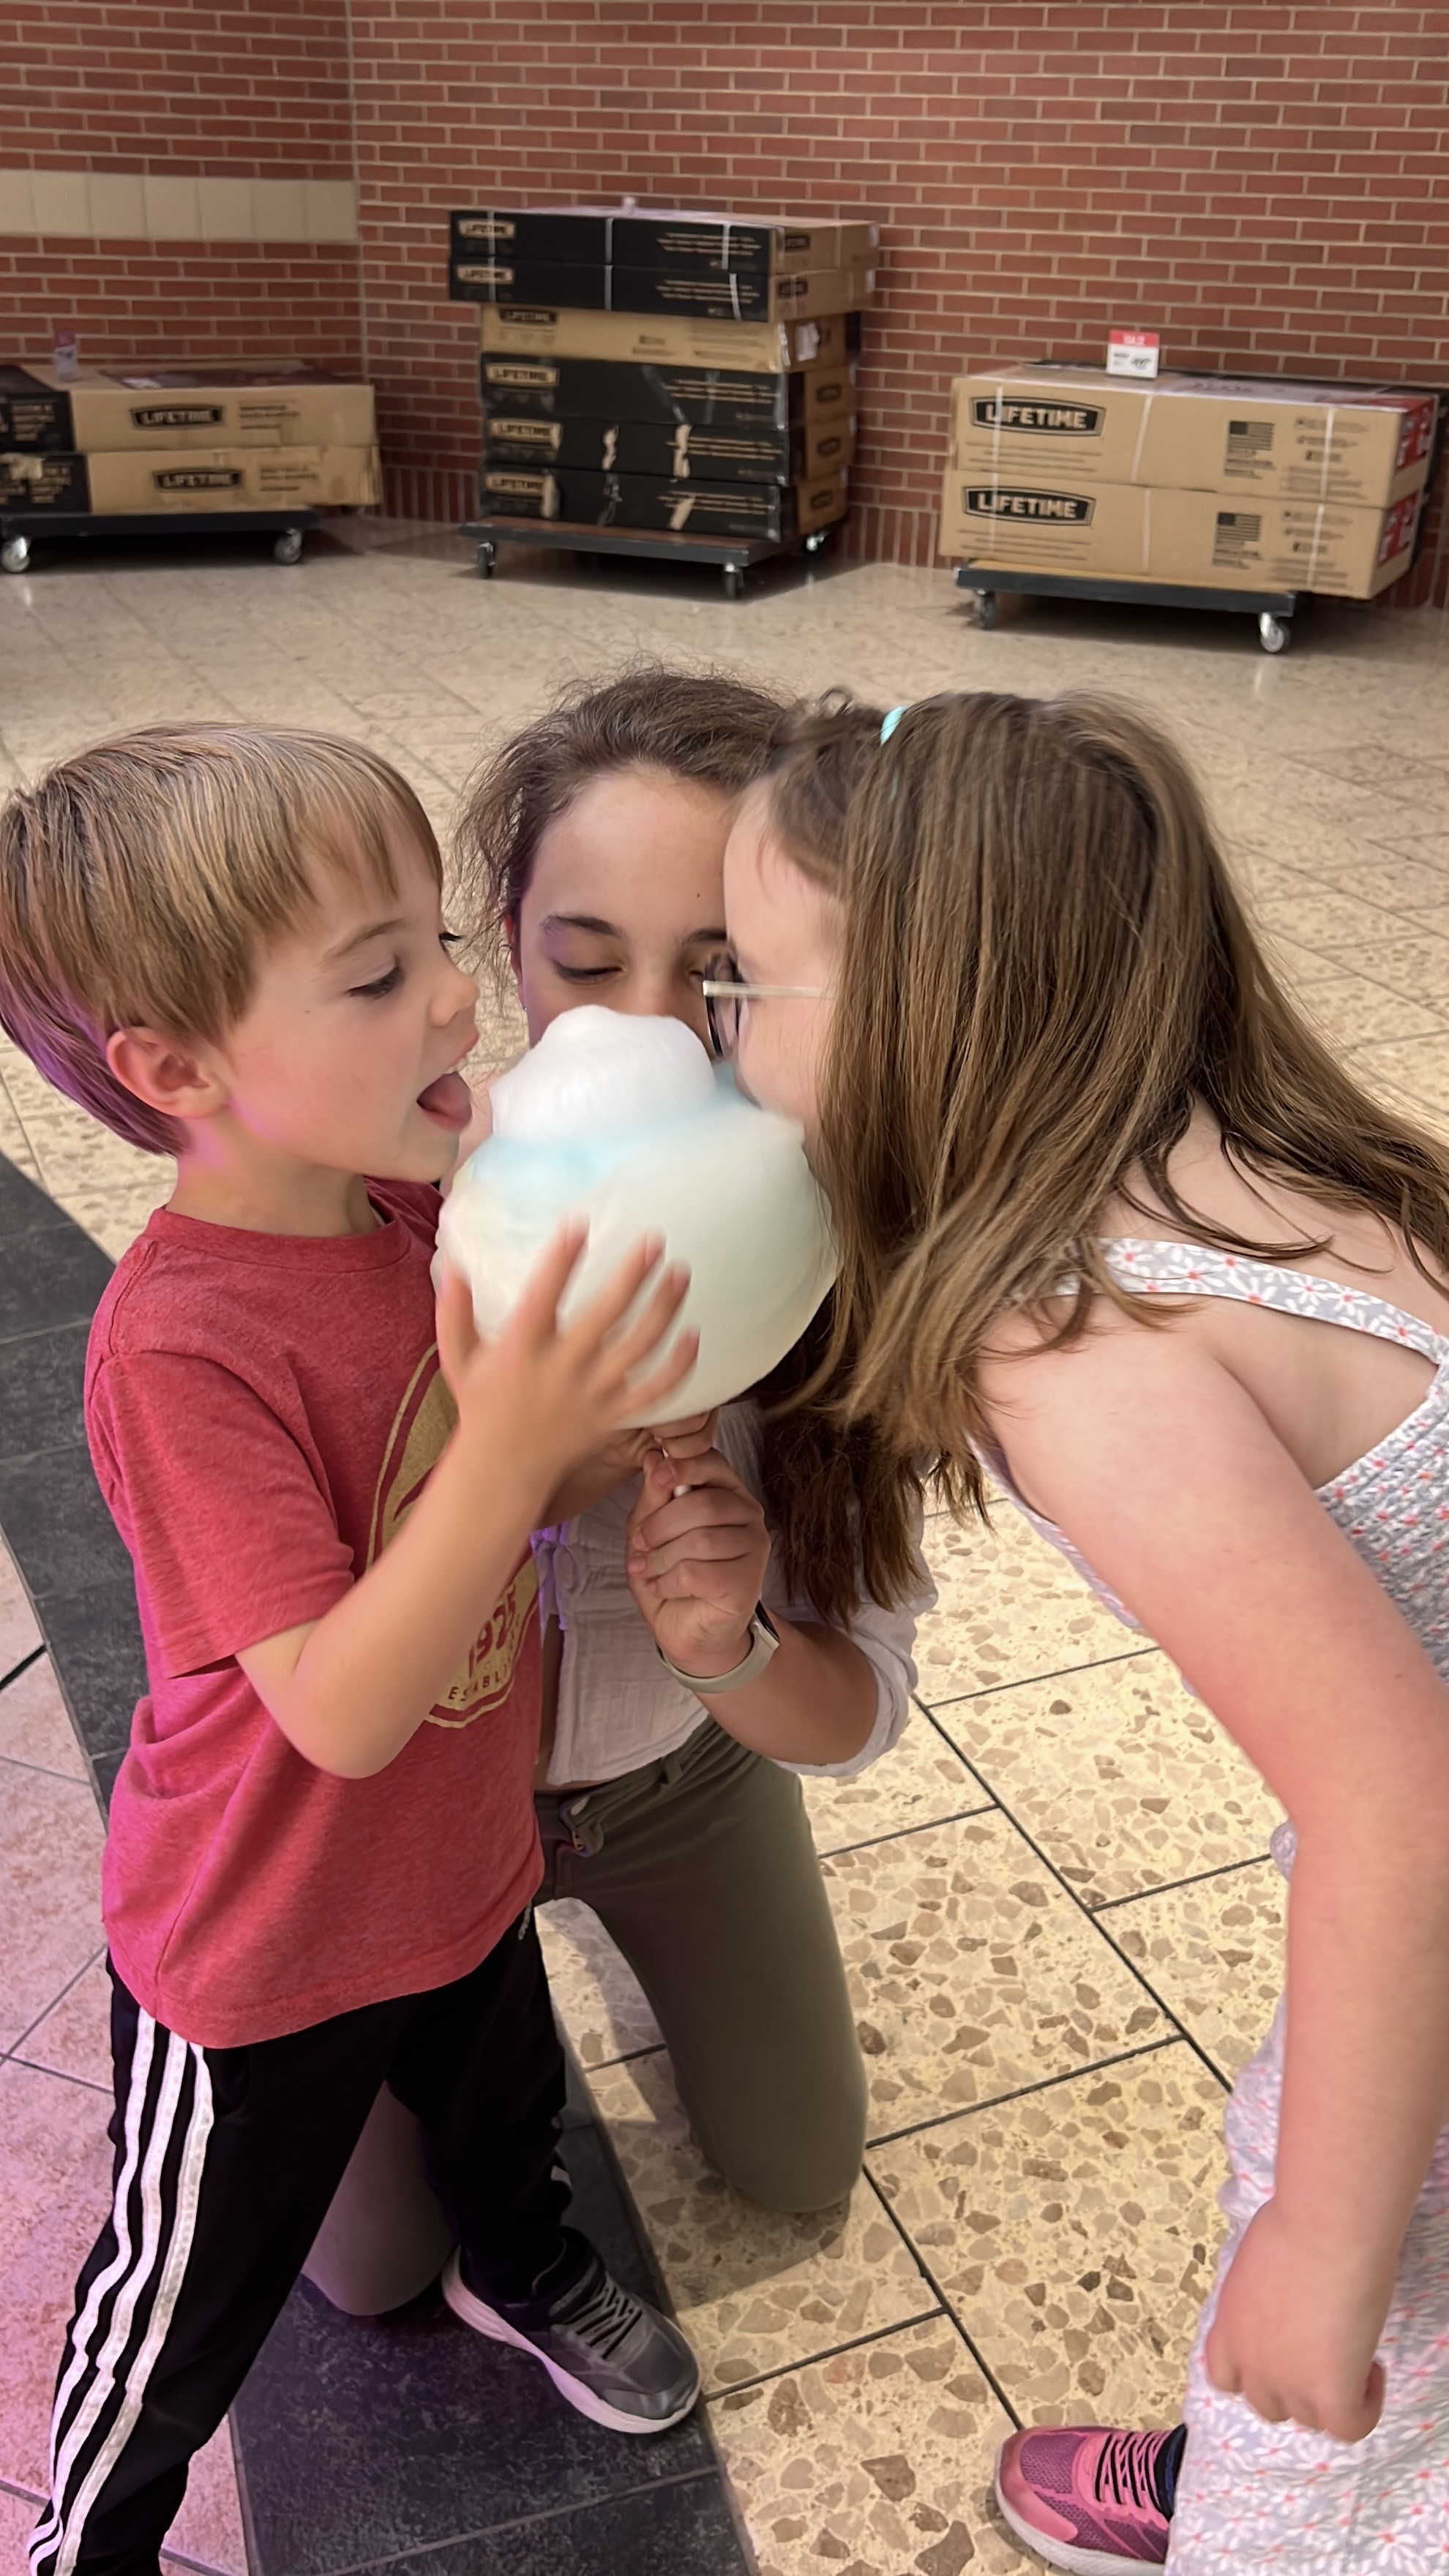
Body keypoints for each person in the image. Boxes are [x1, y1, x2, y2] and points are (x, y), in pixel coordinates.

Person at [711, 686, 1449, 2574]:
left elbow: (1400, 1802)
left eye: (750, 982)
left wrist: (1326, 2245)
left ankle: (1269, 2505)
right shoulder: (1287, 1157)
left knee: (1342, 2383)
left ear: (914, 1005)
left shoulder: (1071, 1343)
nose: (722, 1033)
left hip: (1423, 1902)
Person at [0, 724, 708, 2576]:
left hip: (460, 1861)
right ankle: (91, 2539)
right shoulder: (181, 1346)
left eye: (441, 945)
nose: (460, 999)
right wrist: (519, 1448)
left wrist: (608, 1432)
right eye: (382, 974)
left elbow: (497, 1475)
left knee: (506, 2106)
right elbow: (336, 1703)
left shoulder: (419, 1213)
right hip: (264, 1940)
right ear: (176, 1070)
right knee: (182, 2302)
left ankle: (523, 2261)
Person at [302, 670, 935, 2322]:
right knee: (369, 2268)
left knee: (799, 2157)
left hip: (682, 1778)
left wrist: (730, 1643)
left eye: (721, 978)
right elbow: (295, 1667)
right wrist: (518, 1457)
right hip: (422, 1797)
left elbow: (861, 1700)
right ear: (501, 945)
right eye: (585, 964)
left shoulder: (830, 1249)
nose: (647, 1031)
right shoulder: (389, 1199)